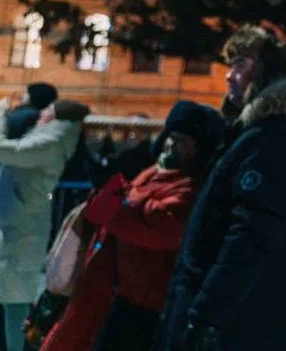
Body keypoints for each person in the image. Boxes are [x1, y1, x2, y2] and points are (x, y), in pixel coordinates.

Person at [157, 25, 286, 351]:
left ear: (264, 70)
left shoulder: (272, 139)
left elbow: (250, 235)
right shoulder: (259, 133)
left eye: (239, 64)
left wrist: (206, 316)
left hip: (240, 323)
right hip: (242, 317)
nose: (228, 75)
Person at [39, 101, 222, 351]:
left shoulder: (190, 188)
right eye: (170, 136)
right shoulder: (151, 173)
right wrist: (112, 191)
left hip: (142, 305)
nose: (170, 144)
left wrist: (119, 199)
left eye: (180, 140)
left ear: (199, 147)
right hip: (107, 290)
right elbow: (101, 212)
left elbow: (155, 229)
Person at [0, 98, 86, 351]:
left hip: (16, 236)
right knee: (8, 305)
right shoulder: (47, 139)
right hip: (13, 233)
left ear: (55, 115)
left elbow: (0, 148)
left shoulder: (50, 142)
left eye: (48, 109)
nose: (41, 113)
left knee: (10, 306)